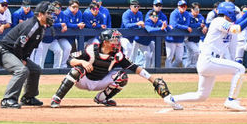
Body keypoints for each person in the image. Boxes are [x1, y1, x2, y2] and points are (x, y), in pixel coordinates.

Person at [50, 29, 180, 109]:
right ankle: (57, 98)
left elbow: (134, 68)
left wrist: (152, 79)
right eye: (114, 40)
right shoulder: (91, 49)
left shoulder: (117, 55)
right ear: (105, 42)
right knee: (77, 69)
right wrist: (82, 62)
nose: (117, 42)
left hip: (100, 81)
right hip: (84, 80)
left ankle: (101, 98)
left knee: (122, 76)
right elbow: (69, 60)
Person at [174, 0, 247, 111]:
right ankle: (231, 100)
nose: (234, 14)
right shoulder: (218, 21)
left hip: (208, 62)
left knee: (201, 96)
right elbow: (237, 29)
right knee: (240, 69)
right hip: (209, 60)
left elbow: (237, 23)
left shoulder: (225, 22)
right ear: (228, 12)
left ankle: (172, 99)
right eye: (232, 12)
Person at [0, 1, 59, 108]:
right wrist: (21, 59)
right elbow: (18, 45)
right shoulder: (31, 26)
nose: (51, 16)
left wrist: (24, 58)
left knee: (35, 69)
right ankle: (7, 99)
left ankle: (28, 97)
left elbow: (28, 47)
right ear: (40, 14)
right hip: (4, 51)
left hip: (15, 52)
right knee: (22, 70)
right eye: (48, 13)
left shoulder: (41, 27)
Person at [165, 0, 191, 68]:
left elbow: (187, 24)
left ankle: (171, 69)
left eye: (184, 6)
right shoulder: (174, 13)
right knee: (169, 58)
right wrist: (185, 27)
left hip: (180, 39)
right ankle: (167, 71)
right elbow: (174, 24)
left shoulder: (187, 14)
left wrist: (185, 27)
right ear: (178, 6)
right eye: (181, 6)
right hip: (171, 39)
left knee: (179, 59)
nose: (183, 7)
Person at [185, 2, 206, 67]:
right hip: (188, 39)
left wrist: (205, 26)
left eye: (198, 9)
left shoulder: (200, 16)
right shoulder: (188, 15)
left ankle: (187, 67)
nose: (197, 10)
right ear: (191, 9)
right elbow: (188, 25)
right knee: (196, 51)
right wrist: (199, 24)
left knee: (191, 54)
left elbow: (204, 23)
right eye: (195, 9)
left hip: (197, 39)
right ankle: (193, 66)